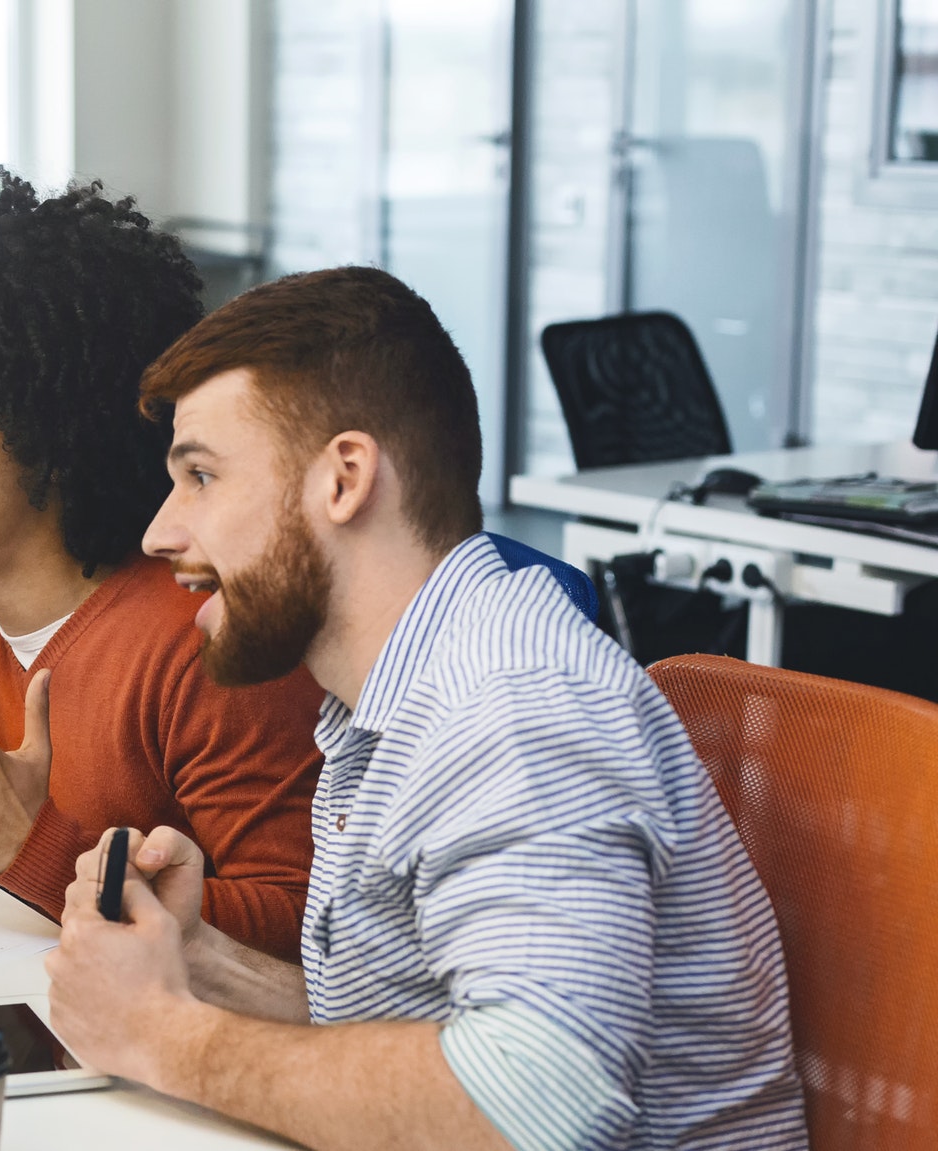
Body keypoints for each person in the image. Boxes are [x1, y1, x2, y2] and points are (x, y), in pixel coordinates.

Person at [45, 267, 805, 1150]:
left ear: (344, 479)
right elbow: (426, 1037)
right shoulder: (400, 698)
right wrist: (197, 962)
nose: (160, 531)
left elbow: (535, 1102)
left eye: (202, 476)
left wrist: (161, 1036)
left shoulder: (513, 705)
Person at [0, 169, 324, 960]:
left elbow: (304, 936)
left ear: (52, 428)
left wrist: (25, 844)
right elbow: (3, 860)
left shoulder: (206, 644)